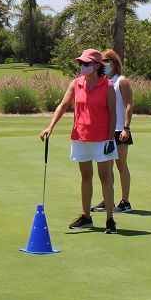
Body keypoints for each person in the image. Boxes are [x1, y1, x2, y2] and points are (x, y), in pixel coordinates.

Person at [40, 48, 118, 234]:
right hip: (81, 136)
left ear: (97, 65)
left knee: (105, 177)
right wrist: (50, 126)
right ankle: (86, 216)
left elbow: (113, 114)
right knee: (85, 176)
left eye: (86, 63)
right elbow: (63, 105)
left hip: (102, 138)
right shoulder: (76, 83)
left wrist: (109, 139)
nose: (82, 67)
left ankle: (110, 219)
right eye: (81, 63)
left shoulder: (107, 86)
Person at [90, 49, 134, 213]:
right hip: (105, 130)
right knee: (105, 169)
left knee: (121, 165)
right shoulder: (102, 81)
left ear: (114, 62)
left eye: (107, 60)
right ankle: (107, 200)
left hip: (120, 129)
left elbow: (129, 105)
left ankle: (125, 202)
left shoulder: (121, 81)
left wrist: (126, 127)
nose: (104, 64)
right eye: (102, 61)